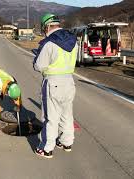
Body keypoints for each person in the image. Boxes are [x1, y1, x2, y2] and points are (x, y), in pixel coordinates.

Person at [32, 13, 78, 158]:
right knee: (67, 114)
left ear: (46, 26)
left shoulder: (49, 43)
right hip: (69, 81)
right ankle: (66, 142)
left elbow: (39, 66)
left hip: (53, 82)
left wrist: (36, 59)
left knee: (50, 117)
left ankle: (46, 148)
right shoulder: (73, 40)